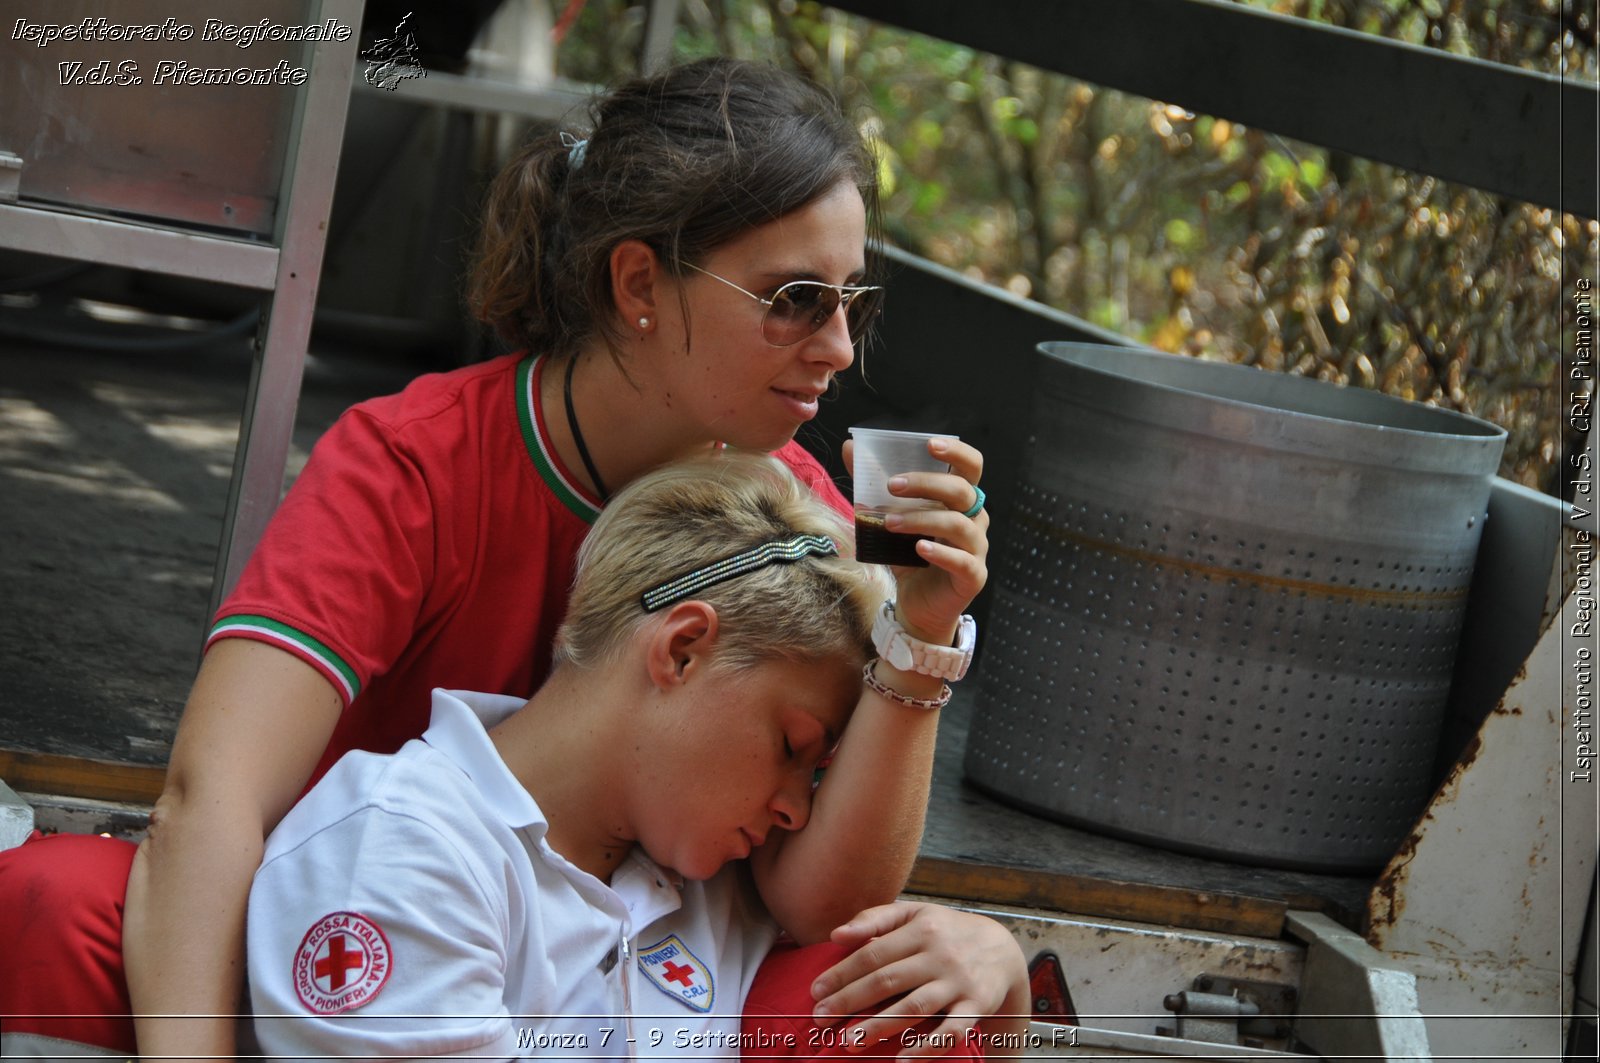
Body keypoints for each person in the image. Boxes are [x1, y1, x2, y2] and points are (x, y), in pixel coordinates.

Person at [0, 57, 992, 1059]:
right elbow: (212, 801)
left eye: (851, 304)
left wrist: (921, 635)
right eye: (795, 297)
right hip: (365, 948)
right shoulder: (411, 462)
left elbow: (813, 899)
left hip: (633, 974)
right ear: (639, 281)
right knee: (60, 899)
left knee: (914, 1005)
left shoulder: (807, 517)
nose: (835, 346)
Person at [245, 452, 1026, 1057]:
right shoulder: (401, 849)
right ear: (683, 650)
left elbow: (857, 922)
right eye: (791, 747)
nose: (796, 806)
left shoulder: (709, 885)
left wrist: (1002, 970)